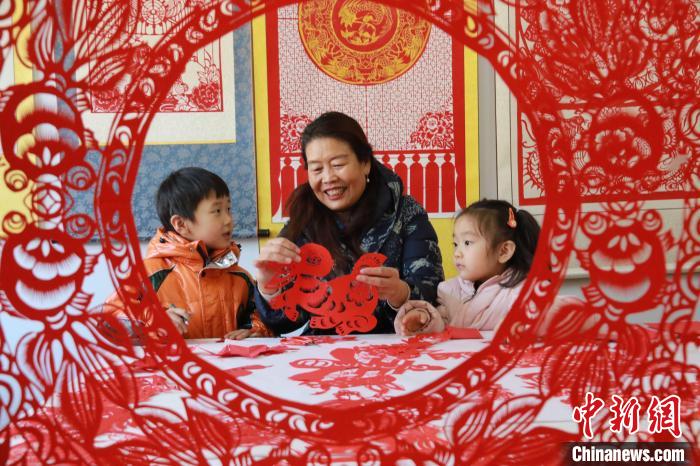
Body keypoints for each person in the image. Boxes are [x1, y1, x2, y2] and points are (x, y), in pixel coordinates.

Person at [254, 111, 444, 335]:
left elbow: (431, 292)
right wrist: (270, 286)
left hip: (394, 347)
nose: (328, 178)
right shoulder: (302, 221)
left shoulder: (407, 214)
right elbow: (286, 322)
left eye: (338, 164)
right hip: (325, 354)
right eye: (316, 169)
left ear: (365, 163)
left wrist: (400, 293)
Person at [104, 167, 270, 340]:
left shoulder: (240, 277)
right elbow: (110, 321)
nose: (229, 220)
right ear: (181, 224)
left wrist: (254, 331)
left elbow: (263, 320)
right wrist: (154, 320)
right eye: (217, 211)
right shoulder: (148, 274)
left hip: (230, 367)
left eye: (228, 209)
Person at [394, 199, 582, 335]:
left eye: (467, 243)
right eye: (455, 244)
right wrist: (422, 319)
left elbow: (563, 307)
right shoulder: (449, 291)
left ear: (503, 251)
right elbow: (440, 323)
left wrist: (525, 320)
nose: (458, 253)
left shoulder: (521, 289)